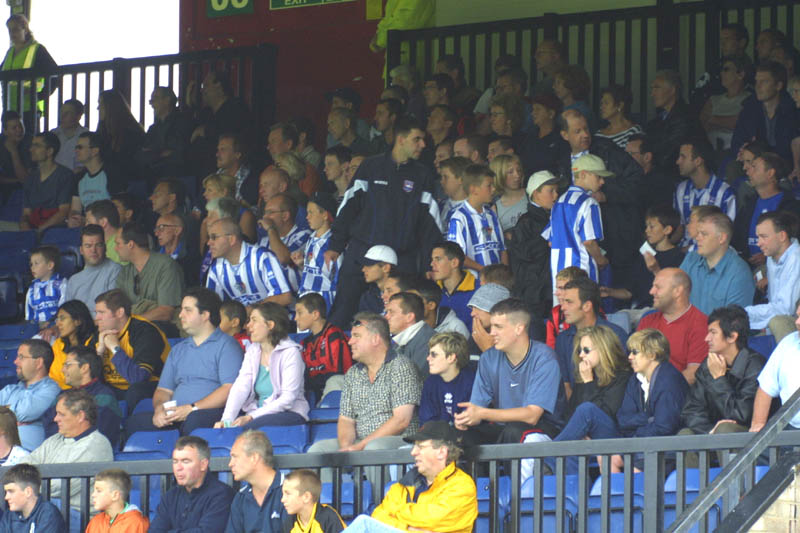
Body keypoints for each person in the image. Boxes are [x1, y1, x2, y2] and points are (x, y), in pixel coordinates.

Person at [326, 116, 440, 328]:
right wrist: (335, 245)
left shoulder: (422, 175)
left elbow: (430, 226)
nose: (422, 145)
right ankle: (335, 355)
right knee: (343, 310)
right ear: (401, 139)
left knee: (399, 316)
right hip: (361, 253)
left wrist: (427, 263)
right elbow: (349, 207)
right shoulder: (371, 166)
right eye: (417, 139)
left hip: (402, 259)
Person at [306, 312, 422, 487]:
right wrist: (347, 447)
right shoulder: (353, 373)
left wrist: (360, 447)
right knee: (317, 451)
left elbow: (401, 420)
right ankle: (334, 506)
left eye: (356, 336)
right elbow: (346, 419)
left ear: (376, 339)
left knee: (373, 450)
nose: (350, 341)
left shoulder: (401, 366)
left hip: (400, 441)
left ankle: (380, 507)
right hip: (362, 443)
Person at [125, 288, 243, 436]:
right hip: (176, 415)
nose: (180, 315)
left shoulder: (227, 345)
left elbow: (229, 389)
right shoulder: (178, 350)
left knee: (194, 420)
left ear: (205, 315)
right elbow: (163, 390)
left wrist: (192, 408)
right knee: (135, 423)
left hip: (208, 413)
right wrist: (159, 410)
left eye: (188, 310)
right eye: (181, 310)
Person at [455, 299, 565, 446]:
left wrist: (482, 413)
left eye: (498, 327)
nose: (492, 332)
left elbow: (532, 415)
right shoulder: (489, 357)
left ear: (519, 328)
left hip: (543, 431)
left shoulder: (544, 358)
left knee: (514, 431)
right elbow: (477, 408)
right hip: (504, 428)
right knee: (462, 435)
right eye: (492, 326)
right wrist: (467, 418)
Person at [347, 421, 478, 533]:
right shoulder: (404, 484)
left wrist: (396, 510)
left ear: (441, 452)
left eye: (420, 447)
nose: (413, 452)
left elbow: (432, 519)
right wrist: (408, 528)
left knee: (363, 524)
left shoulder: (462, 485)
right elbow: (378, 516)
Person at [678, 306, 765, 466]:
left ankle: (736, 490)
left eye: (713, 332)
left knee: (725, 430)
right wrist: (710, 431)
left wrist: (718, 379)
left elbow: (740, 416)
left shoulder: (755, 366)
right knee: (685, 435)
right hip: (714, 436)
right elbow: (691, 411)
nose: (706, 338)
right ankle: (696, 490)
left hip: (750, 442)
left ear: (732, 337)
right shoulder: (708, 364)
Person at [546, 325, 631, 475]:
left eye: (586, 350)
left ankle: (549, 455)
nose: (581, 355)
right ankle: (575, 495)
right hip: (589, 437)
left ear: (603, 349)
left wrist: (589, 383)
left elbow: (606, 412)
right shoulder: (586, 376)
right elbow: (571, 416)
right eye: (579, 350)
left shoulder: (622, 375)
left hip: (616, 434)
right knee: (570, 451)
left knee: (587, 410)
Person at [216, 303, 309, 429]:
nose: (248, 325)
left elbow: (287, 399)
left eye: (254, 320)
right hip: (258, 413)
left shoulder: (291, 352)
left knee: (248, 430)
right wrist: (226, 420)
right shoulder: (253, 351)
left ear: (270, 325)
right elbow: (240, 387)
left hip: (289, 413)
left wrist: (251, 417)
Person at [20, 390, 114, 510]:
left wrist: (22, 486)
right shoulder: (55, 439)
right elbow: (25, 464)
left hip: (78, 515)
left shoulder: (97, 444)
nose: (55, 419)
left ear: (80, 416)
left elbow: (59, 486)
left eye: (61, 414)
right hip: (48, 506)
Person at [611, 329, 689, 471]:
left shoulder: (668, 380)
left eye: (635, 352)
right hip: (644, 442)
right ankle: (616, 494)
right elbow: (622, 420)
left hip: (669, 447)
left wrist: (637, 434)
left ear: (652, 355)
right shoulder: (635, 380)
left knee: (637, 463)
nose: (629, 357)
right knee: (609, 458)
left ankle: (636, 494)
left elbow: (664, 426)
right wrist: (648, 418)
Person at [93, 288, 170, 408]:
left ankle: (126, 426)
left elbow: (138, 378)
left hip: (153, 387)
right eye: (96, 313)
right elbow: (87, 378)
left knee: (135, 391)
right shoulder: (98, 333)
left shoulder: (145, 332)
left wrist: (115, 348)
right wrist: (99, 352)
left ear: (119, 312)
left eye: (101, 313)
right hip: (115, 389)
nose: (97, 318)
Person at [543, 153, 610, 289]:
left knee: (562, 309)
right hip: (582, 271)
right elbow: (589, 241)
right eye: (599, 176)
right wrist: (601, 261)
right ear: (584, 174)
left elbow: (551, 241)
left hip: (558, 272)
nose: (602, 181)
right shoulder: (589, 203)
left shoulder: (558, 202)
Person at [600, 204, 685, 309]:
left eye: (652, 226)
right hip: (639, 310)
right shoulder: (645, 255)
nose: (647, 230)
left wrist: (655, 269)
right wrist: (609, 292)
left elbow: (673, 293)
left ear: (667, 230)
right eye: (646, 226)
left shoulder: (679, 258)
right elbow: (629, 292)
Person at [555, 277, 629, 396]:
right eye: (563, 302)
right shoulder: (563, 339)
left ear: (587, 306)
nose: (563, 307)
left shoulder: (616, 335)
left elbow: (624, 384)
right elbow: (566, 385)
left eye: (569, 302)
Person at [637, 268, 708, 385]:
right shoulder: (647, 321)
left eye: (658, 287)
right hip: (641, 390)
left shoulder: (700, 324)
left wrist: (657, 389)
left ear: (677, 291)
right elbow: (635, 361)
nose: (651, 291)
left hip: (677, 396)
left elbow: (693, 373)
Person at [149, 435, 234, 532]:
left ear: (203, 465)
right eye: (175, 462)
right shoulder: (170, 496)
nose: (178, 467)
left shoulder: (221, 495)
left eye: (185, 461)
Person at [43, 347, 122, 449]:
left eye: (67, 365)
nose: (63, 370)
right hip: (58, 450)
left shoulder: (104, 396)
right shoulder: (62, 395)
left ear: (84, 368)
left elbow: (99, 431)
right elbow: (48, 424)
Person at [680, 210, 755, 315]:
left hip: (718, 331)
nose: (697, 238)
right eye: (698, 233)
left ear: (722, 238)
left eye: (704, 234)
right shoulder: (691, 258)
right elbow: (673, 294)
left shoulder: (739, 273)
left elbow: (734, 323)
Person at [206, 217, 292, 307]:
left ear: (231, 239)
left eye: (214, 237)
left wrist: (251, 310)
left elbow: (284, 297)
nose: (208, 243)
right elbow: (212, 306)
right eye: (209, 238)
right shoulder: (216, 268)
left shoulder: (262, 257)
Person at [508, 170, 560, 317]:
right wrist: (547, 241)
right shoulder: (526, 222)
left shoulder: (553, 217)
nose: (556, 195)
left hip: (549, 292)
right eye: (551, 191)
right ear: (536, 193)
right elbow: (524, 253)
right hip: (534, 295)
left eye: (557, 191)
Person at [733, 152, 800, 263]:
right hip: (747, 266)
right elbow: (736, 240)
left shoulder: (791, 206)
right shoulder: (748, 204)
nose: (748, 170)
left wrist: (769, 257)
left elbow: (794, 242)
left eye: (754, 167)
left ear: (770, 173)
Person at [115, 221, 185, 325]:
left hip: (166, 332)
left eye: (118, 244)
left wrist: (131, 323)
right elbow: (119, 310)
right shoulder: (124, 273)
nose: (115, 249)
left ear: (130, 244)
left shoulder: (165, 265)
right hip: (136, 332)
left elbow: (166, 312)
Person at [745, 211, 800, 341]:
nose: (759, 243)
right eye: (758, 237)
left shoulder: (797, 260)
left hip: (792, 325)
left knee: (777, 322)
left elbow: (784, 309)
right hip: (773, 324)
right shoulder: (771, 257)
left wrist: (745, 314)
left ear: (782, 236)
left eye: (764, 237)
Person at [732, 61, 798, 162]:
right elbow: (737, 142)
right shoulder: (749, 110)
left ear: (778, 86)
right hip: (753, 163)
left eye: (764, 82)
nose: (757, 86)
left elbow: (790, 148)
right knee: (732, 167)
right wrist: (742, 150)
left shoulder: (793, 111)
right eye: (757, 81)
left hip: (785, 164)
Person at [0, 339, 60, 450]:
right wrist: (11, 418)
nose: (15, 361)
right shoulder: (11, 389)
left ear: (38, 363)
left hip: (28, 459)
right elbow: (17, 414)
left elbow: (23, 413)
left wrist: (4, 415)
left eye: (21, 357)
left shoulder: (51, 389)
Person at [447, 164, 507, 274]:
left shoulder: (492, 215)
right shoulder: (459, 217)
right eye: (489, 185)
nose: (493, 189)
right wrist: (484, 271)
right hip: (473, 284)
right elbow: (457, 255)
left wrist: (504, 273)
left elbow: (502, 249)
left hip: (497, 282)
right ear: (473, 189)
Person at [296, 292, 352, 403]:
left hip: (340, 390)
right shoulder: (305, 343)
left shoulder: (334, 335)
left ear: (315, 314)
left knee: (334, 381)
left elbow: (338, 373)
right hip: (315, 391)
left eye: (300, 313)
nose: (295, 318)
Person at [226, 430, 287, 533]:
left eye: (235, 457)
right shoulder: (241, 497)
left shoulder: (292, 490)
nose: (230, 464)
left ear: (254, 458)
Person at [1, 14, 56, 122]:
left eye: (15, 30)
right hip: (9, 109)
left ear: (25, 29)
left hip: (29, 110)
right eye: (10, 30)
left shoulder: (37, 50)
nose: (12, 34)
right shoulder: (10, 52)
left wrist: (40, 96)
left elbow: (55, 75)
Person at [645, 70, 703, 170]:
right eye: (652, 88)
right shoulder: (658, 120)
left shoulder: (685, 117)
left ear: (672, 90)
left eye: (657, 88)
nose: (652, 94)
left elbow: (669, 154)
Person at [673, 138, 736, 232]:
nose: (677, 161)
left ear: (698, 161)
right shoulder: (680, 189)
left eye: (683, 157)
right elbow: (679, 228)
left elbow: (727, 233)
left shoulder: (724, 193)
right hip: (684, 246)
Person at [61, 225, 121, 313]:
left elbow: (112, 311)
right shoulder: (73, 281)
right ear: (81, 250)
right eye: (88, 246)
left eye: (98, 245)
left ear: (105, 247)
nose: (93, 250)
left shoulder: (115, 270)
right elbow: (68, 314)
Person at [20, 132, 72, 232]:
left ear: (49, 151)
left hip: (55, 230)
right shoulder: (30, 178)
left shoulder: (65, 176)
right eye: (32, 145)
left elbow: (63, 212)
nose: (31, 149)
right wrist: (24, 224)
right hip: (32, 228)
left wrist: (41, 229)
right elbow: (26, 212)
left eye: (37, 146)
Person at [419, 332, 475, 425]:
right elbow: (426, 422)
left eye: (434, 354)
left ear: (451, 358)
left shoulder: (471, 382)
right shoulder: (431, 382)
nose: (428, 358)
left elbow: (466, 425)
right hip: (437, 435)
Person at [297, 191, 341, 309]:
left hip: (324, 302)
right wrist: (302, 265)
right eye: (307, 212)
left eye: (311, 212)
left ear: (325, 215)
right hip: (305, 300)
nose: (307, 217)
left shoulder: (334, 243)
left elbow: (337, 277)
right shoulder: (311, 239)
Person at [258, 192, 310, 292]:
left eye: (270, 212)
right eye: (265, 213)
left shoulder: (304, 234)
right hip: (272, 299)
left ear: (285, 216)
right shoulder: (264, 241)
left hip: (298, 299)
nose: (265, 217)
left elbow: (283, 259)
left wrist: (271, 229)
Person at [69, 132, 123, 227]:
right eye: (76, 147)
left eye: (80, 147)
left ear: (94, 151)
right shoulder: (79, 178)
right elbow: (75, 210)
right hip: (86, 229)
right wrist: (74, 219)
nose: (76, 150)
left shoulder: (112, 174)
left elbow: (118, 208)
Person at [138, 86, 192, 180]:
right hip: (154, 175)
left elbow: (179, 152)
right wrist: (161, 153)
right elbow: (142, 155)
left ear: (167, 100)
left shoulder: (183, 122)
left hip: (177, 176)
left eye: (155, 98)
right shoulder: (153, 128)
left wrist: (154, 153)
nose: (151, 103)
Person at [700, 55, 752, 150]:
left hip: (736, 151)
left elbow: (741, 123)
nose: (721, 73)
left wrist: (714, 119)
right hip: (710, 149)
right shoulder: (713, 99)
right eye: (721, 70)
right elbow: (702, 125)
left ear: (740, 74)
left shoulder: (750, 99)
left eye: (726, 69)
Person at [625, 134, 681, 214]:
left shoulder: (661, 182)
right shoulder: (628, 179)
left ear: (647, 157)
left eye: (630, 154)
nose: (625, 158)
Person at [0, 464, 65, 532]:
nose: (6, 497)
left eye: (11, 491)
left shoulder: (48, 514)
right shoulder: (9, 515)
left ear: (28, 492)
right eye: (6, 492)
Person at [48, 300, 97, 389]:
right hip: (60, 393)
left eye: (62, 318)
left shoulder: (95, 342)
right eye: (57, 319)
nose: (58, 324)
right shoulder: (58, 344)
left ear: (78, 321)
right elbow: (53, 376)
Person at [385, 292, 436, 379]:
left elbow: (413, 381)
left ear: (409, 317)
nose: (386, 317)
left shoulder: (429, 342)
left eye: (391, 312)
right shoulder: (397, 341)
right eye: (387, 312)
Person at [431, 241, 479, 330]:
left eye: (437, 259)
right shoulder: (432, 292)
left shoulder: (479, 290)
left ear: (454, 263)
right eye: (432, 259)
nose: (432, 264)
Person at [86, 468, 149, 533]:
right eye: (94, 491)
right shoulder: (95, 521)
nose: (93, 495)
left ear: (115, 495)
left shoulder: (136, 523)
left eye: (99, 491)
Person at [519, 91, 564, 176]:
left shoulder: (561, 138)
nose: (533, 113)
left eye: (538, 109)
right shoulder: (530, 136)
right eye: (533, 109)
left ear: (551, 114)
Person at [545, 267, 588, 350]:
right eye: (557, 288)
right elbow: (551, 350)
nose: (556, 293)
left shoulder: (590, 310)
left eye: (562, 288)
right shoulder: (555, 313)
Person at [155, 212, 201, 286]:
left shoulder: (191, 257)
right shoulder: (154, 256)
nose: (156, 233)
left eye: (161, 228)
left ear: (177, 231)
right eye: (156, 229)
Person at [25, 245, 66, 326]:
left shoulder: (61, 284)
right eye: (31, 264)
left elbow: (65, 310)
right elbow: (29, 315)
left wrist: (52, 325)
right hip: (37, 329)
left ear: (50, 265)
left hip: (57, 327)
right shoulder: (32, 289)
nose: (32, 267)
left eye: (36, 263)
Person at [467, 283, 511, 355]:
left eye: (478, 307)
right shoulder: (477, 336)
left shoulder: (514, 342)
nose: (472, 313)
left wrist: (487, 349)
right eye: (472, 308)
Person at [490, 153, 527, 233]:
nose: (517, 175)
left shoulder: (532, 195)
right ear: (499, 175)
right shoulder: (493, 206)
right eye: (510, 172)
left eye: (519, 170)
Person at [356, 245, 398, 315]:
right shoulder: (368, 297)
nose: (363, 269)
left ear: (386, 268)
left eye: (369, 265)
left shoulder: (404, 295)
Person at [553, 65, 596, 130]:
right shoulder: (558, 108)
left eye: (558, 83)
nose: (554, 87)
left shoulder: (582, 112)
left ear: (571, 83)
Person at [86, 199, 127, 265]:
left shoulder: (120, 246)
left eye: (88, 221)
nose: (86, 225)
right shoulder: (99, 244)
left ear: (103, 222)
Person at [51, 99, 88, 171]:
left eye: (68, 113)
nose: (62, 116)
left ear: (78, 116)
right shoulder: (53, 134)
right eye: (61, 112)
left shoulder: (85, 136)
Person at [438, 156, 469, 235]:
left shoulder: (476, 209)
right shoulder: (440, 206)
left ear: (461, 179)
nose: (441, 181)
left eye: (446, 177)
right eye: (441, 177)